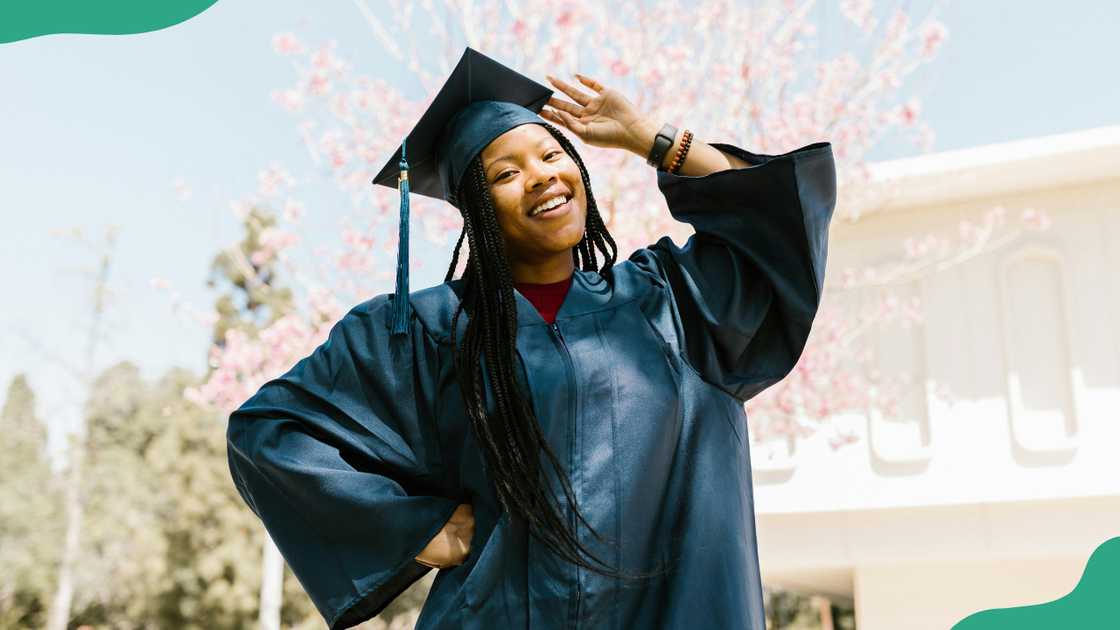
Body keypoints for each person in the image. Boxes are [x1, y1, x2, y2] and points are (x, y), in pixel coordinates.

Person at [226, 47, 836, 630]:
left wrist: (649, 137)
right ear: (477, 210)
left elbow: (774, 215)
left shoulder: (671, 302)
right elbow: (270, 434)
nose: (541, 179)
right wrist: (415, 529)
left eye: (550, 156)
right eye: (505, 174)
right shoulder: (426, 331)